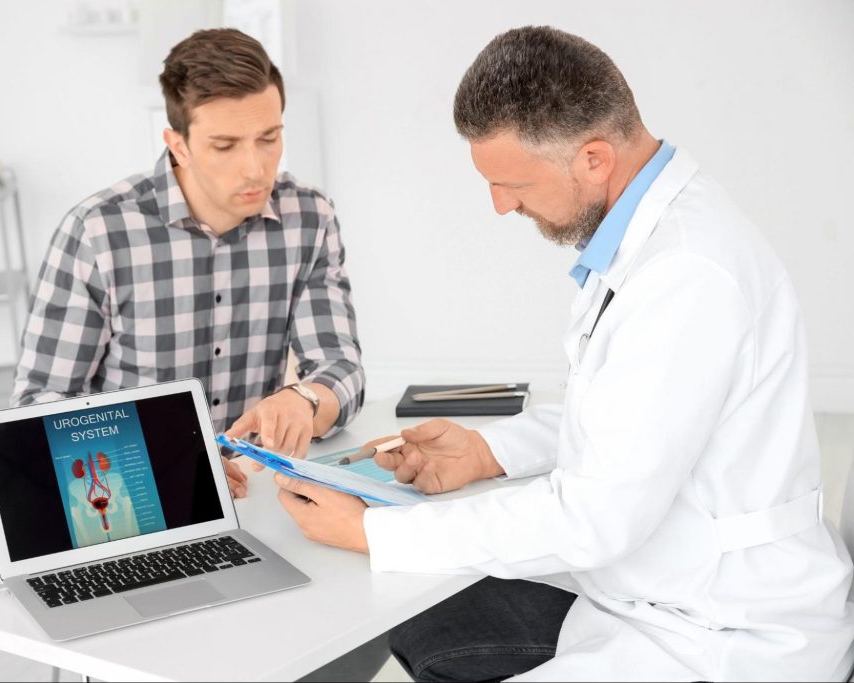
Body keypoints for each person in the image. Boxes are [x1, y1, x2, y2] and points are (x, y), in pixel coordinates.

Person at [272, 25, 854, 681]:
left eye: (511, 182)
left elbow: (593, 517)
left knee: (421, 596)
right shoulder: (650, 239)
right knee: (425, 625)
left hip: (725, 633)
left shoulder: (689, 274)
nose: (500, 205)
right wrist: (489, 450)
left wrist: (375, 533)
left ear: (595, 160)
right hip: (653, 594)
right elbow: (624, 418)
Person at [11, 28, 364, 498]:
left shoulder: (309, 218)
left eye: (269, 138)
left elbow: (341, 366)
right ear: (178, 144)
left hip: (250, 494)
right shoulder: (99, 231)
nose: (256, 168)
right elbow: (38, 404)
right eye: (225, 146)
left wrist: (303, 399)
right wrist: (166, 452)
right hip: (130, 494)